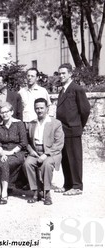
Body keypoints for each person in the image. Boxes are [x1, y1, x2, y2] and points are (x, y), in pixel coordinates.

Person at [56, 63, 90, 196]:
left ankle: (77, 186)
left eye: (64, 73)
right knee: (65, 158)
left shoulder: (77, 89)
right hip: (63, 130)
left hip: (73, 129)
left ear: (70, 74)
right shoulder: (62, 90)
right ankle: (68, 184)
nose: (61, 76)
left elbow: (85, 110)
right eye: (59, 73)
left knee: (75, 158)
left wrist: (78, 125)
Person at [23, 98, 64, 205]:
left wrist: (46, 155)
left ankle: (47, 193)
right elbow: (26, 141)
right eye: (37, 108)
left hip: (51, 152)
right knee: (27, 163)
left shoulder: (55, 123)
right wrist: (31, 150)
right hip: (35, 152)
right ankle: (36, 191)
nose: (39, 110)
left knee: (47, 164)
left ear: (47, 108)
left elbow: (59, 143)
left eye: (42, 108)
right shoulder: (32, 123)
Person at [0, 102, 27, 204]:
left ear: (11, 112)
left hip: (16, 151)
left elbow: (23, 143)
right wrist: (2, 153)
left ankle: (4, 193)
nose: (4, 114)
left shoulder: (19, 124)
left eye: (7, 111)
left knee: (5, 163)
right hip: (2, 151)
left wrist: (11, 152)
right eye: (2, 112)